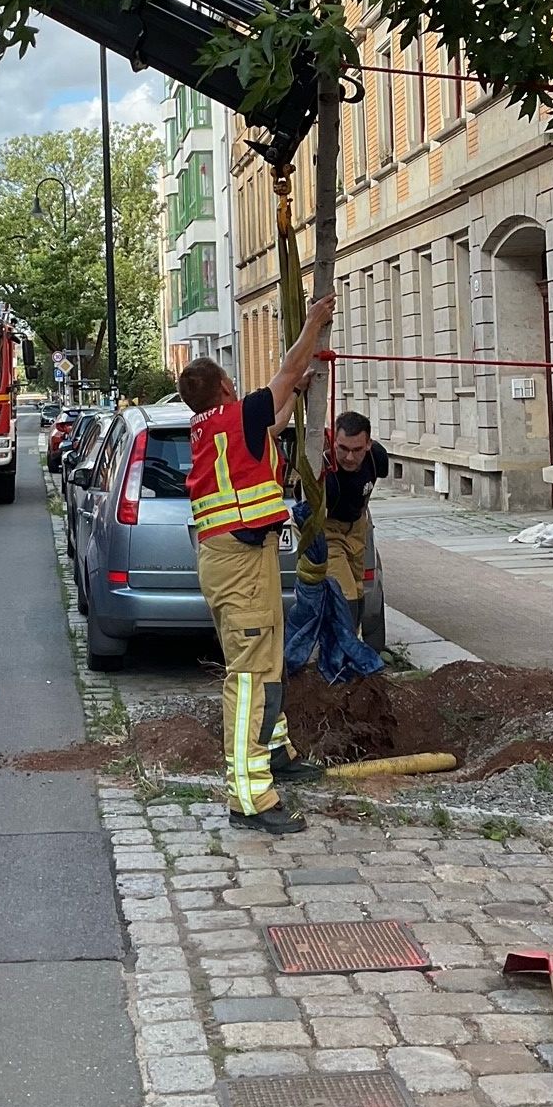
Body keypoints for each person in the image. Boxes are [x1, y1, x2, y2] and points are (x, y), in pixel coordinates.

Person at [178, 293, 336, 836]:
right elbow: (287, 370)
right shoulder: (235, 416)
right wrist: (314, 318)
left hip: (239, 555)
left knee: (265, 657)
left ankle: (276, 751)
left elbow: (275, 417)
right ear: (225, 387)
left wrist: (296, 390)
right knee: (248, 675)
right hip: (239, 560)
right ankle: (248, 797)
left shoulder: (220, 429)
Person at [323, 411, 391, 629]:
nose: (349, 457)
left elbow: (368, 487)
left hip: (357, 524)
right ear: (334, 441)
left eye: (357, 450)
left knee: (359, 588)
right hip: (329, 529)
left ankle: (354, 642)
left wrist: (361, 514)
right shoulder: (324, 468)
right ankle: (344, 649)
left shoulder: (377, 457)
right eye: (343, 449)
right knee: (345, 593)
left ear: (368, 444)